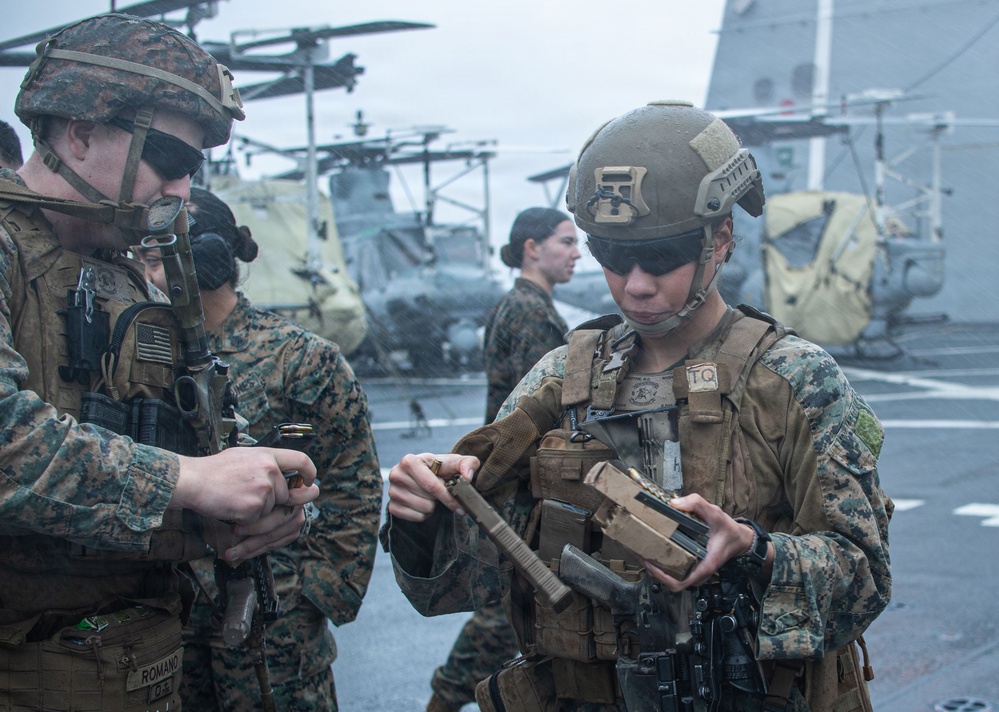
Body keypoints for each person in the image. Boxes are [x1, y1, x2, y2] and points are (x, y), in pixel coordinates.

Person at [381, 100, 892, 712]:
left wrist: (754, 551)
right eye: (613, 259)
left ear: (720, 237)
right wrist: (425, 516)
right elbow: (466, 583)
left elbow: (863, 576)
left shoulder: (795, 381)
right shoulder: (558, 383)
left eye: (660, 258)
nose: (636, 285)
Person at [0, 14, 319, 710]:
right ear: (79, 130)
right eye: (168, 162)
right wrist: (187, 482)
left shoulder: (126, 277)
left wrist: (238, 511)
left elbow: (153, 466)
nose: (180, 192)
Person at [138, 187, 383, 711]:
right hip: (165, 624)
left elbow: (354, 485)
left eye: (154, 258)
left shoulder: (300, 358)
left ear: (199, 259)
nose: (146, 274)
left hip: (274, 628)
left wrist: (312, 592)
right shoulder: (142, 359)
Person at [426, 207, 580, 712]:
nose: (576, 253)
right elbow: (548, 413)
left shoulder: (511, 305)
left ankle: (450, 694)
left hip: (507, 472)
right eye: (564, 242)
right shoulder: (533, 313)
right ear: (531, 248)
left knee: (506, 609)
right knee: (507, 609)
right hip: (524, 476)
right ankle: (448, 695)